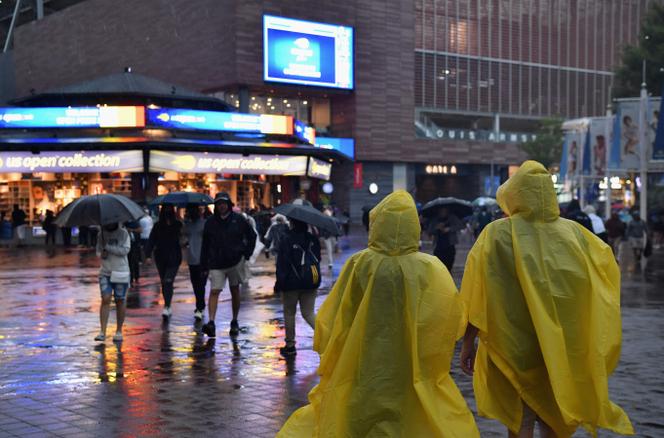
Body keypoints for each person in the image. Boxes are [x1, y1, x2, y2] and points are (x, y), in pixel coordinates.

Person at [277, 190, 478, 437]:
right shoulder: (429, 268)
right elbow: (448, 315)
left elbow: (336, 313)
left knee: (364, 413)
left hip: (364, 357)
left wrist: (331, 348)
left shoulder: (360, 264)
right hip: (410, 359)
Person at [459, 161, 633, 438]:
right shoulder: (578, 235)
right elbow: (603, 281)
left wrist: (469, 341)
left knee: (520, 422)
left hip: (513, 345)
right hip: (562, 347)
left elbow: (476, 291)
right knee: (554, 419)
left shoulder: (496, 234)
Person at [200, 192, 256, 338]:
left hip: (235, 261)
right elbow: (205, 244)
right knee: (214, 291)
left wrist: (246, 254)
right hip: (216, 263)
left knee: (235, 290)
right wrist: (204, 264)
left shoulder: (238, 220)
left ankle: (235, 320)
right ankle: (211, 322)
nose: (221, 206)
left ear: (228, 204)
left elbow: (252, 236)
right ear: (216, 206)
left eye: (223, 203)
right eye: (218, 204)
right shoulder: (210, 222)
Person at [275, 218, 321, 356]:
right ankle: (327, 337)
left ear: (292, 222)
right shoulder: (312, 239)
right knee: (308, 313)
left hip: (291, 283)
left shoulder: (286, 239)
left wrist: (279, 282)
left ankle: (290, 346)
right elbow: (318, 258)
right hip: (310, 281)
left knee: (289, 313)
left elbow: (281, 263)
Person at [145, 205, 183, 320]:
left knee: (168, 280)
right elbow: (151, 240)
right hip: (161, 257)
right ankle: (167, 303)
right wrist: (148, 255)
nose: (167, 212)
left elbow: (183, 237)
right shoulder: (157, 226)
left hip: (174, 257)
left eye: (169, 210)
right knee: (165, 282)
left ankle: (167, 306)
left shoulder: (178, 225)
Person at [95, 222, 131, 342]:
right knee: (105, 298)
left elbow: (125, 250)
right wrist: (101, 254)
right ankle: (102, 331)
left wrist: (109, 248)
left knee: (120, 300)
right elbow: (98, 251)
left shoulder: (123, 233)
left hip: (121, 272)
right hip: (105, 272)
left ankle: (119, 330)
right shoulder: (101, 234)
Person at [183, 205, 208, 321]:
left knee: (200, 284)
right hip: (192, 259)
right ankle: (200, 305)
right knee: (196, 284)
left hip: (202, 258)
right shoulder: (187, 226)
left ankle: (200, 306)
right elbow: (183, 240)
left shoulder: (205, 224)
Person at [428, 206, 463, 272]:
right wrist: (437, 228)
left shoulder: (452, 218)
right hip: (439, 245)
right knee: (439, 264)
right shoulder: (435, 219)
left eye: (444, 211)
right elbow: (430, 230)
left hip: (450, 245)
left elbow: (460, 226)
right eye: (441, 211)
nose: (443, 212)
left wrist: (449, 229)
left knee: (449, 264)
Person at [124, 220, 143, 285]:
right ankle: (131, 278)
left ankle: (136, 277)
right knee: (129, 262)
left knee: (135, 261)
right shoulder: (124, 223)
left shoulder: (135, 222)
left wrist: (131, 230)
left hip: (135, 244)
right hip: (127, 244)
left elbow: (140, 230)